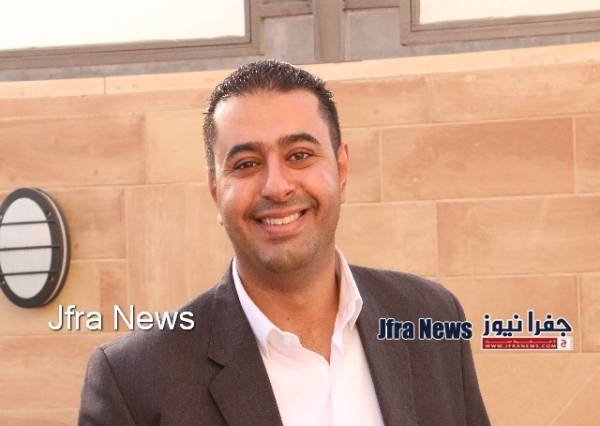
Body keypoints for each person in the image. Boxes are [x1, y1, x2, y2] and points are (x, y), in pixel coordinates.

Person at [78, 60, 490, 426]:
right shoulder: (134, 381)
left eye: (299, 155)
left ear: (342, 169)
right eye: (246, 164)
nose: (276, 186)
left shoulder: (431, 317)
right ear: (215, 191)